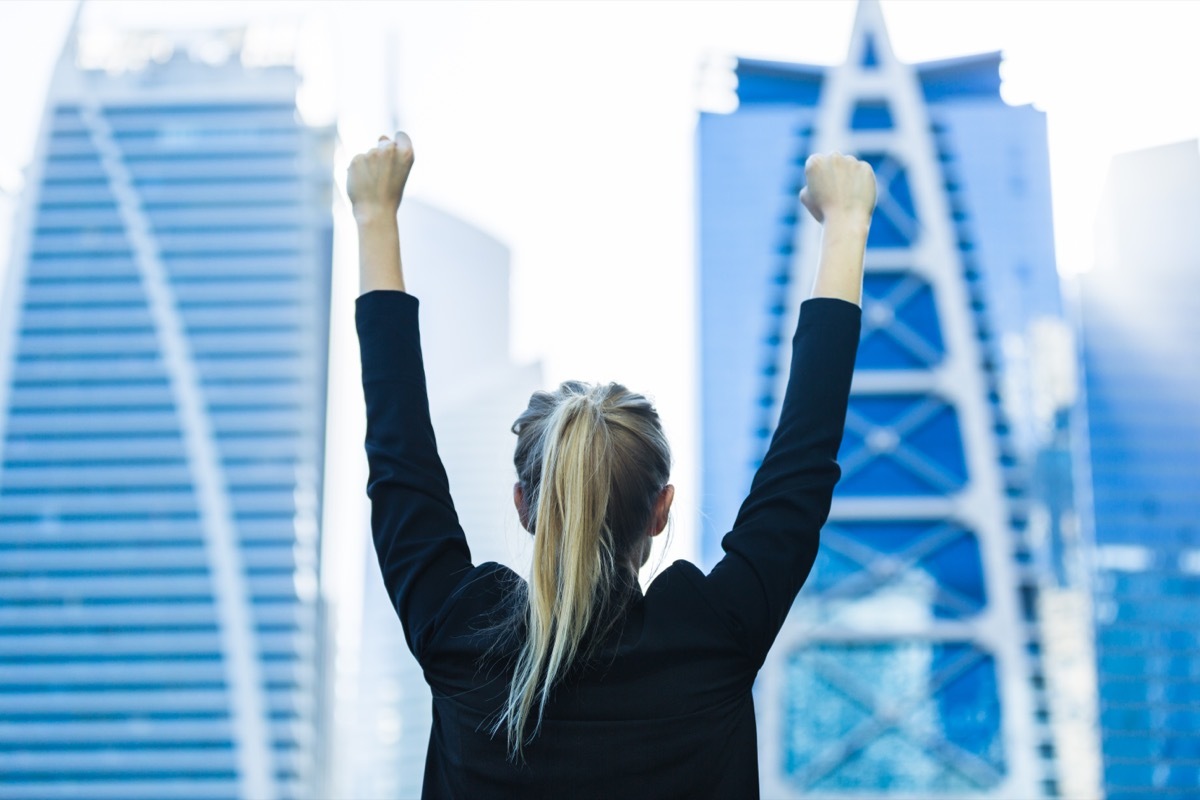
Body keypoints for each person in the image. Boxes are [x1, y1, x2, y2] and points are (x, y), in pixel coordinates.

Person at [349, 132, 876, 799]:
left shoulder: (463, 636)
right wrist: (848, 224)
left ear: (524, 504)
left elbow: (399, 461)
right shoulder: (712, 638)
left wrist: (374, 216)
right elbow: (804, 458)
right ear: (662, 512)